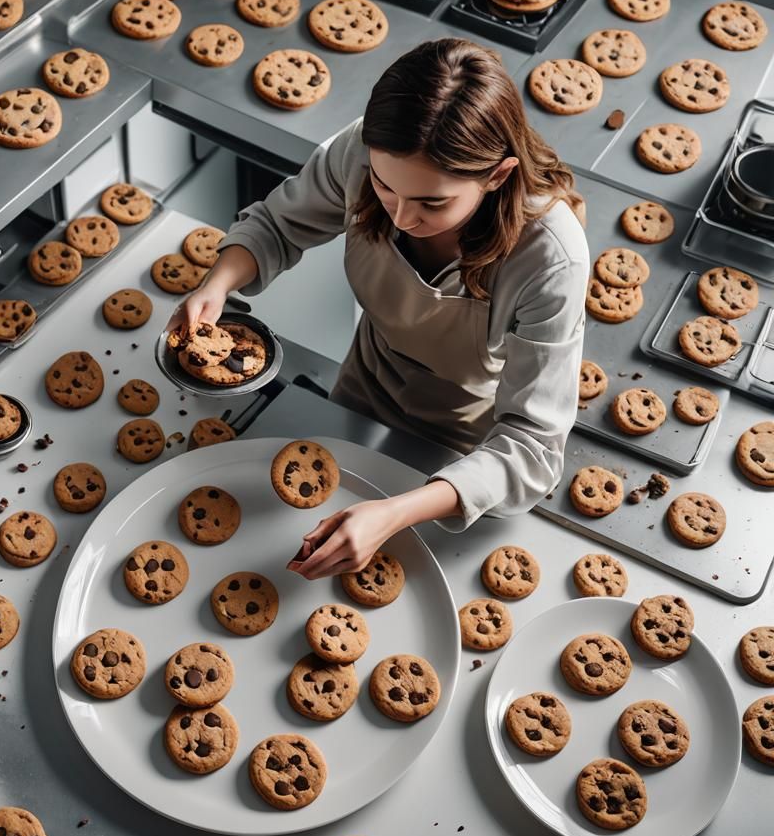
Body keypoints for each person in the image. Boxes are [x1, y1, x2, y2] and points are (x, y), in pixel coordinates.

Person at [166, 37, 590, 580]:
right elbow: (278, 223)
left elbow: (532, 447)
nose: (402, 218)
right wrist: (218, 283)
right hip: (361, 381)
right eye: (386, 188)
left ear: (496, 176)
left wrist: (395, 512)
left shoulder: (550, 255)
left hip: (464, 443)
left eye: (433, 202)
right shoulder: (363, 153)